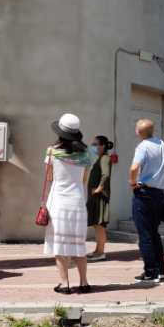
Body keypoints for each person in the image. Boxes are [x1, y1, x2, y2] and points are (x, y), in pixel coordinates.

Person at [44, 113, 93, 294]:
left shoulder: (52, 152)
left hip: (58, 202)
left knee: (60, 245)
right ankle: (84, 283)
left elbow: (49, 177)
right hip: (78, 202)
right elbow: (84, 180)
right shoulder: (86, 154)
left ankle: (64, 284)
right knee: (79, 244)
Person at [129, 118, 164, 283]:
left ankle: (150, 272)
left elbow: (134, 167)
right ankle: (160, 270)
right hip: (159, 194)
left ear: (139, 131)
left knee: (145, 234)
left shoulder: (143, 146)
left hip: (144, 193)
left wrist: (132, 183)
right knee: (154, 233)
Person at [87, 135, 114, 262]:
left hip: (100, 197)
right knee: (96, 225)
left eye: (95, 144)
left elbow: (105, 175)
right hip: (95, 196)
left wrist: (99, 188)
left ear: (103, 146)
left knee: (100, 225)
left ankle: (101, 252)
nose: (93, 146)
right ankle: (97, 250)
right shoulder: (100, 158)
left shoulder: (105, 158)